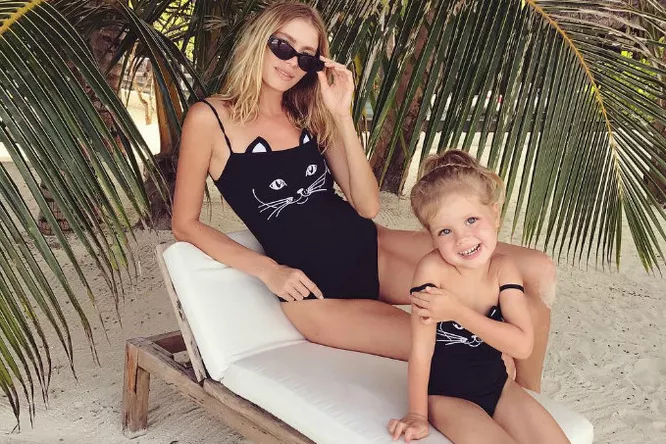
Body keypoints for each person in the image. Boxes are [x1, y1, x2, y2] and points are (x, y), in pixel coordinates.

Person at [171, 0, 555, 393]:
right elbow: (184, 224)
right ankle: (516, 402)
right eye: (282, 46)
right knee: (470, 353)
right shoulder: (209, 119)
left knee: (536, 278)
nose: (291, 63)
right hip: (319, 298)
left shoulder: (309, 112)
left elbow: (367, 205)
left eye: (306, 57)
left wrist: (341, 114)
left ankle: (531, 400)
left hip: (372, 249)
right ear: (259, 40)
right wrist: (268, 270)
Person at [387, 150, 569, 443]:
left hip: (498, 387)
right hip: (447, 396)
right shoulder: (432, 272)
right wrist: (417, 414)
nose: (462, 238)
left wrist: (457, 312)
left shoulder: (503, 269)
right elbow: (421, 352)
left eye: (471, 220)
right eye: (445, 231)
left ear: (494, 214)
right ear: (431, 237)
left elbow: (522, 345)